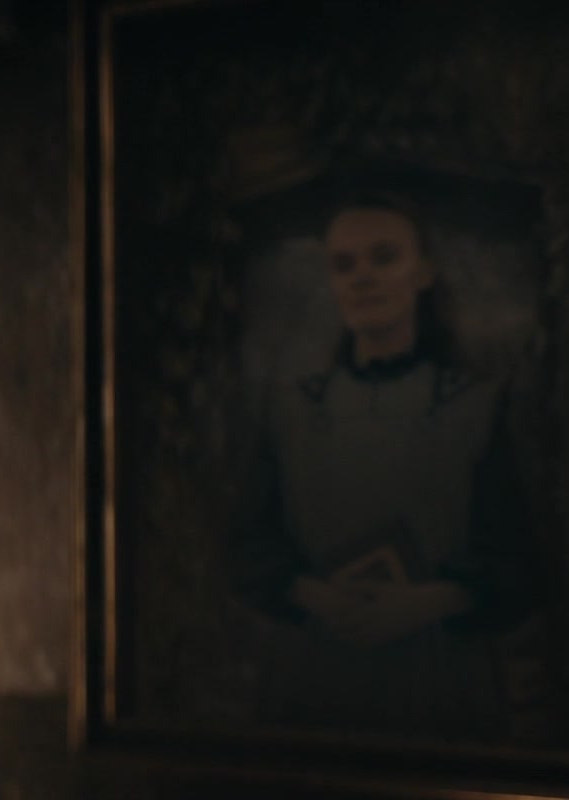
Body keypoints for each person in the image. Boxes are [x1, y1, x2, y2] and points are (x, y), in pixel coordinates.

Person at [226, 193, 540, 738]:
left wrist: (428, 603)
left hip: (440, 677)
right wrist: (316, 597)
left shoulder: (476, 407)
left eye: (383, 257)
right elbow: (249, 547)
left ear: (423, 273)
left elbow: (518, 566)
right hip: (313, 675)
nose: (363, 277)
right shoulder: (290, 409)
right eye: (344, 265)